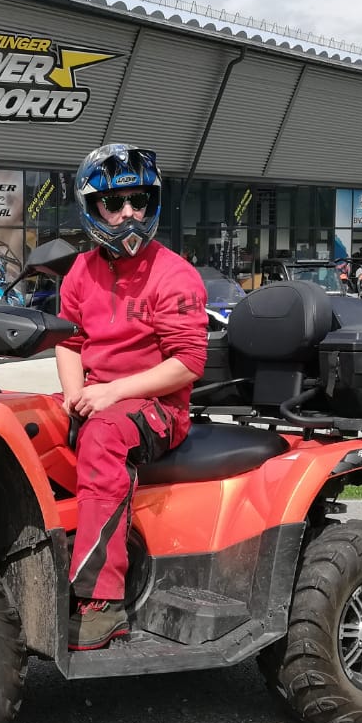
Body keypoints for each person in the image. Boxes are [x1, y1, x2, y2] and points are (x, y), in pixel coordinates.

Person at [56, 142, 208, 650]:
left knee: (102, 435)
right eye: (114, 202)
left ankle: (101, 603)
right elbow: (69, 342)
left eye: (139, 201)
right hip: (103, 397)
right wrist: (74, 398)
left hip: (159, 408)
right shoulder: (80, 271)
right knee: (27, 421)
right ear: (92, 208)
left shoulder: (174, 273)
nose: (129, 213)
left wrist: (110, 394)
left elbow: (188, 363)